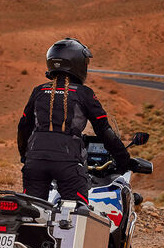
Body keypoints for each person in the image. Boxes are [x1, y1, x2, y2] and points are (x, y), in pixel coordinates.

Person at [17, 38, 131, 204]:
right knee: (75, 215)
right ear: (77, 64)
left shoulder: (39, 91)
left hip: (35, 161)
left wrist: (24, 156)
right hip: (67, 162)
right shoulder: (84, 93)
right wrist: (123, 160)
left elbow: (23, 127)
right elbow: (104, 131)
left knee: (33, 213)